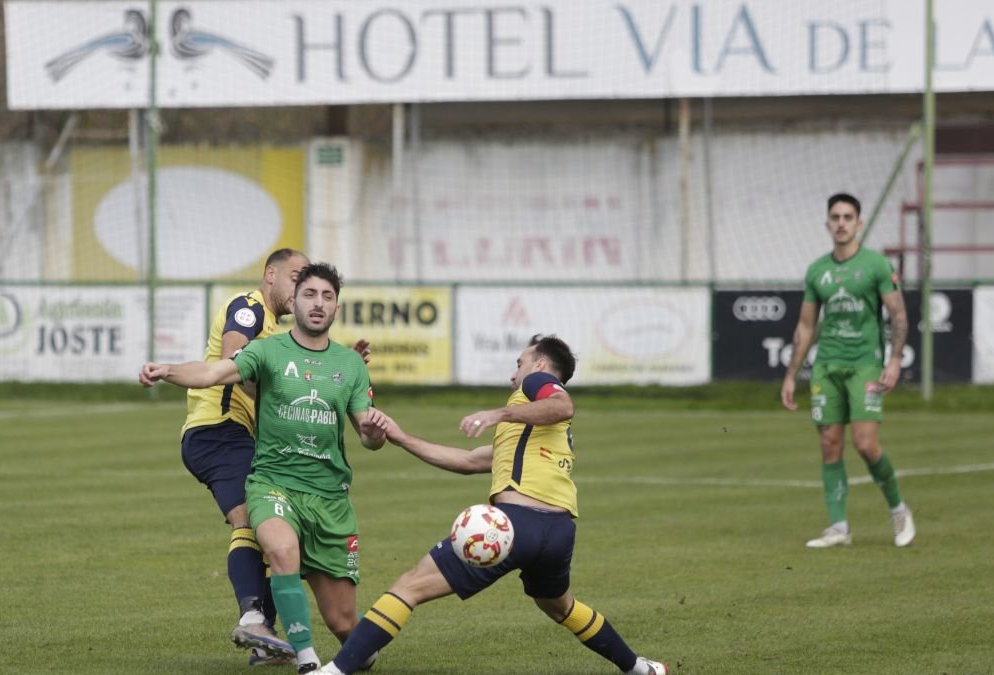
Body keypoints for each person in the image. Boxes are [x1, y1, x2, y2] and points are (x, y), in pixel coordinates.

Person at [315, 335, 669, 675]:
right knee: (560, 606)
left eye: (520, 364)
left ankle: (335, 670)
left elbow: (563, 404)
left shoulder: (535, 385)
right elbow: (469, 461)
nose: (514, 375)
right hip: (558, 532)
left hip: (516, 524)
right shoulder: (536, 434)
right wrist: (401, 437)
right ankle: (639, 668)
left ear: (541, 365)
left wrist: (497, 414)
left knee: (409, 586)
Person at [141, 262, 387, 675]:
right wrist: (168, 370)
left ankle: (356, 647)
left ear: (336, 310)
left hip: (329, 497)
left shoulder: (349, 364)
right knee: (279, 548)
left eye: (327, 297)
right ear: (295, 300)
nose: (317, 303)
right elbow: (214, 370)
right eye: (309, 294)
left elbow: (366, 432)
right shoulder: (267, 348)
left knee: (344, 622)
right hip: (274, 482)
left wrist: (374, 433)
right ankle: (304, 658)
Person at [169, 248, 310, 665]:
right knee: (252, 518)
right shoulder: (248, 307)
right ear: (271, 274)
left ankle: (263, 636)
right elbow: (233, 355)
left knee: (280, 526)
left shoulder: (282, 336)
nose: (300, 286)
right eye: (295, 276)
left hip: (239, 437)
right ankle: (253, 617)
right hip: (218, 430)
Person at [781, 193, 916, 549]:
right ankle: (839, 527)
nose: (841, 222)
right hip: (827, 367)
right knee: (829, 445)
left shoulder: (876, 266)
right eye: (835, 217)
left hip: (865, 366)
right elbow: (806, 327)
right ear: (828, 223)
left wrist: (895, 359)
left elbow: (898, 314)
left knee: (866, 444)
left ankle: (899, 508)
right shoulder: (817, 271)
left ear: (858, 222)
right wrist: (792, 373)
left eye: (848, 216)